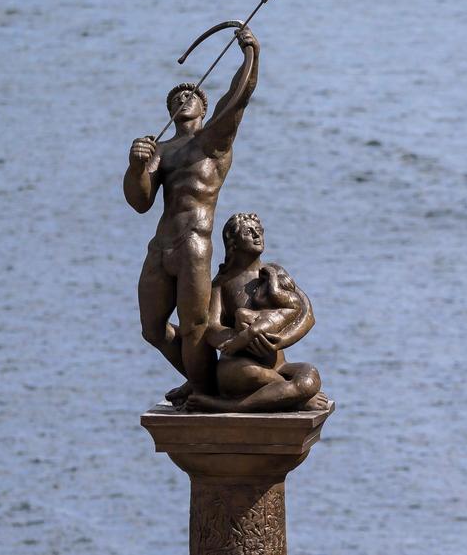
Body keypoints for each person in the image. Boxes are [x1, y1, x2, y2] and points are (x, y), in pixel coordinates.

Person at [123, 26, 259, 402]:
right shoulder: (161, 150)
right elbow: (140, 201)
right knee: (153, 328)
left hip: (193, 243)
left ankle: (204, 389)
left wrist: (250, 55)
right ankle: (204, 379)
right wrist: (135, 167)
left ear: (203, 107)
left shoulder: (212, 141)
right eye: (177, 98)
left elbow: (239, 96)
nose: (184, 99)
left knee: (194, 326)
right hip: (161, 245)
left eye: (191, 95)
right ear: (170, 111)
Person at [183, 212, 328, 412]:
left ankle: (277, 396)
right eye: (248, 232)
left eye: (259, 231)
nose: (257, 235)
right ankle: (288, 398)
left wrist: (281, 340)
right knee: (252, 375)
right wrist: (240, 338)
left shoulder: (274, 274)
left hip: (277, 365)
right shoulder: (221, 284)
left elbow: (306, 314)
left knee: (310, 376)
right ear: (232, 242)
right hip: (239, 365)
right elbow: (210, 326)